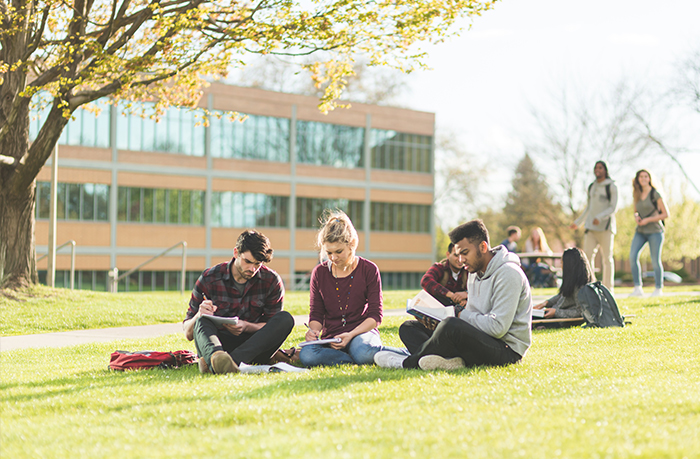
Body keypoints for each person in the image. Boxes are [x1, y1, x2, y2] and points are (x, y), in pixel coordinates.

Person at [374, 219, 532, 371]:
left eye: (465, 253)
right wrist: (439, 321)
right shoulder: (474, 272)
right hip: (481, 339)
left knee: (451, 326)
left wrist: (458, 315)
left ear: (483, 247)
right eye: (458, 254)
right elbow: (472, 316)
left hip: (506, 350)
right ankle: (452, 361)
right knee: (409, 328)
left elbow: (497, 328)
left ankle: (408, 363)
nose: (461, 260)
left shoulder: (509, 274)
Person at [299, 211, 407, 367]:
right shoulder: (319, 273)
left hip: (361, 334)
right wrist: (313, 332)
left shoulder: (369, 269)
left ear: (351, 245)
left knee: (363, 351)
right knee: (307, 355)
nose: (333, 258)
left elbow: (375, 316)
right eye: (329, 253)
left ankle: (407, 354)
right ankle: (359, 358)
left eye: (338, 251)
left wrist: (351, 335)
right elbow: (316, 313)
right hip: (332, 338)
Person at [183, 230, 294, 374]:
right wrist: (199, 314)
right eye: (247, 261)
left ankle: (223, 363)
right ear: (236, 253)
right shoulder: (209, 278)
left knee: (285, 319)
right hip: (218, 343)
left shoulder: (271, 281)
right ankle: (218, 358)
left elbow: (271, 327)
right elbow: (188, 333)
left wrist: (247, 326)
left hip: (253, 346)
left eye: (257, 264)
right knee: (201, 321)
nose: (252, 269)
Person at [399, 242, 468, 354]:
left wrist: (466, 294)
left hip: (458, 324)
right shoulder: (440, 268)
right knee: (406, 327)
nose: (460, 259)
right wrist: (451, 295)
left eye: (462, 255)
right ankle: (433, 354)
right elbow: (426, 281)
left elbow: (481, 290)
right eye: (456, 255)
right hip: (436, 321)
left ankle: (430, 354)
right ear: (447, 255)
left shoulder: (469, 271)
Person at [570, 160, 618, 291]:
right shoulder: (592, 187)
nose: (598, 170)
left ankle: (609, 289)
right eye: (596, 168)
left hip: (606, 228)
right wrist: (578, 222)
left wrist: (600, 217)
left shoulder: (611, 186)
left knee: (607, 259)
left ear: (605, 170)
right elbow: (589, 208)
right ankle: (591, 286)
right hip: (591, 228)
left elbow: (613, 207)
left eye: (600, 168)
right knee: (586, 257)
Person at [629, 169, 669, 297]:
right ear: (638, 179)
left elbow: (665, 214)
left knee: (655, 259)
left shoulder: (655, 194)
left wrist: (648, 220)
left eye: (646, 176)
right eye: (641, 177)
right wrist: (637, 217)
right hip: (640, 231)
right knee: (632, 256)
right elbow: (636, 211)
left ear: (650, 178)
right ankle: (637, 288)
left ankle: (658, 289)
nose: (643, 179)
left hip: (655, 231)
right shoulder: (636, 194)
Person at [533, 247, 594, 321]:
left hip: (560, 319)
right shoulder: (572, 280)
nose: (561, 266)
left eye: (562, 263)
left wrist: (556, 312)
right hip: (555, 313)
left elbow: (581, 312)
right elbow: (562, 296)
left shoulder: (580, 287)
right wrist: (546, 303)